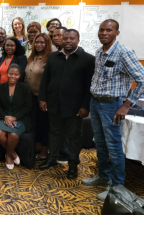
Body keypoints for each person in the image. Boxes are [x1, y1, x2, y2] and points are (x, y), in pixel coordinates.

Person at [82, 19, 144, 200]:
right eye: (101, 30)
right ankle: (103, 176)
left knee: (114, 146)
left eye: (108, 30)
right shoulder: (99, 52)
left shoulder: (123, 52)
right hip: (95, 103)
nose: (104, 33)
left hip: (112, 106)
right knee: (99, 143)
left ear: (116, 33)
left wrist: (127, 104)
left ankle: (117, 187)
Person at [39, 29, 96, 179]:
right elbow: (45, 80)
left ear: (78, 40)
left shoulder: (88, 59)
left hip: (75, 106)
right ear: (62, 40)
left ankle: (72, 166)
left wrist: (85, 106)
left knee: (74, 136)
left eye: (72, 38)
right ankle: (52, 159)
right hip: (54, 103)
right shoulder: (53, 57)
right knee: (54, 132)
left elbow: (89, 86)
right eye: (66, 39)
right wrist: (43, 99)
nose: (68, 41)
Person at [0, 64, 32, 170]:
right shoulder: (0, 88)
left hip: (21, 118)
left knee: (13, 135)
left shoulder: (25, 88)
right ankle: (12, 153)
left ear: (19, 75)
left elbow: (28, 107)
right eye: (11, 74)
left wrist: (14, 117)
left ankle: (8, 155)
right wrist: (5, 117)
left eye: (16, 74)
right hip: (3, 117)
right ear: (7, 74)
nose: (13, 76)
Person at [24, 33, 53, 160]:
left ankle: (45, 148)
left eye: (42, 43)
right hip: (30, 96)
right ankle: (38, 144)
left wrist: (44, 98)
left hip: (42, 98)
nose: (39, 45)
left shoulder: (50, 59)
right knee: (34, 122)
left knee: (44, 123)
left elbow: (50, 81)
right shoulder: (31, 57)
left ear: (47, 44)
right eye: (37, 42)